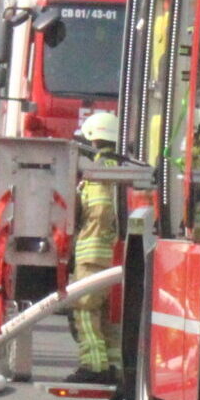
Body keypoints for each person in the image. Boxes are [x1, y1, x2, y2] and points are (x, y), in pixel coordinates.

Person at [66, 109, 126, 384]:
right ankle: (114, 367)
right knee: (109, 317)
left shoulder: (98, 170)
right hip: (118, 258)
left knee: (85, 311)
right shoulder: (126, 166)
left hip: (94, 254)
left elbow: (101, 209)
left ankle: (93, 366)